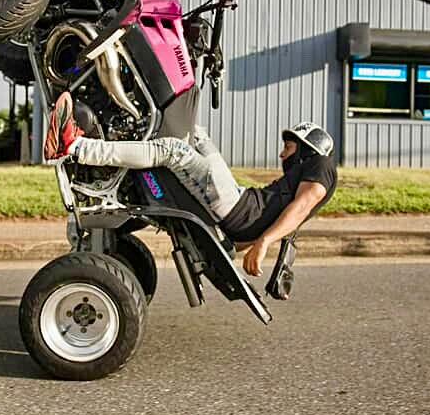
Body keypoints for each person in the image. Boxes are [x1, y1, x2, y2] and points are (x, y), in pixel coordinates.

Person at [44, 92, 337, 277]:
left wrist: (263, 243)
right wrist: (230, 245)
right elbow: (278, 216)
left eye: (288, 148)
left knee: (174, 150)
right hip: (239, 204)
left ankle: (76, 147)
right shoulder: (308, 172)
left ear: (307, 149)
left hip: (238, 207)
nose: (282, 154)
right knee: (196, 134)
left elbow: (301, 208)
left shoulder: (322, 167)